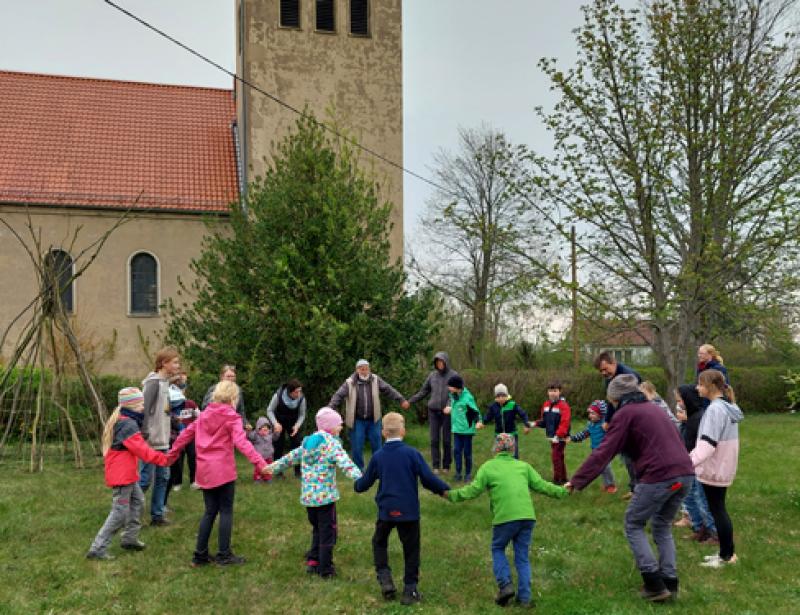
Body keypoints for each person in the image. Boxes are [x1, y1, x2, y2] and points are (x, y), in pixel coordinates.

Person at [565, 374, 694, 602]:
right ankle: (670, 584)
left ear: (615, 398)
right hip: (685, 473)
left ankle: (654, 584)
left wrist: (576, 481)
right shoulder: (655, 408)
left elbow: (604, 451)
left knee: (633, 523)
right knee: (662, 525)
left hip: (659, 476)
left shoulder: (626, 414)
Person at [447, 433, 567, 609]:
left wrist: (451, 495)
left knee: (497, 548)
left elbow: (473, 490)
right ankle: (525, 599)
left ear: (495, 449)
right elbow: (542, 485)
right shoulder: (523, 466)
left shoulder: (488, 467)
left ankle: (505, 585)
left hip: (504, 518)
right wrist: (564, 491)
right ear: (513, 449)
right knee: (522, 557)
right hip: (527, 517)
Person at [166, 380, 271, 567]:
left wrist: (171, 455)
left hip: (205, 471)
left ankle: (200, 556)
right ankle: (224, 555)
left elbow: (185, 435)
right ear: (233, 398)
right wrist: (261, 464)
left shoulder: (204, 415)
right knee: (226, 511)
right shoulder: (232, 417)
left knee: (209, 511)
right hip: (223, 471)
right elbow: (242, 443)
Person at [354, 412, 450, 605]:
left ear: (383, 433)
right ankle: (410, 590)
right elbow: (428, 478)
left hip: (386, 511)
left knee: (379, 543)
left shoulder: (378, 456)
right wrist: (444, 490)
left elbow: (364, 484)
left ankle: (385, 579)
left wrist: (357, 484)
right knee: (411, 550)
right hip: (409, 512)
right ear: (403, 431)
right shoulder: (412, 454)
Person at [268, 407, 362, 578]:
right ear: (331, 427)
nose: (340, 428)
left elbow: (290, 458)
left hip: (309, 498)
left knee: (317, 529)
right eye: (339, 425)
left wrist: (271, 468)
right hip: (325, 499)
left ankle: (313, 561)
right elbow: (345, 462)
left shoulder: (307, 443)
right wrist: (360, 478)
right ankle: (325, 569)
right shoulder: (332, 444)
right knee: (328, 533)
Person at [86, 387, 171, 560]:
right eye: (140, 403)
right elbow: (142, 450)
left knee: (138, 502)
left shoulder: (126, 420)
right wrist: (164, 459)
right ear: (131, 405)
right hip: (122, 476)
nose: (143, 407)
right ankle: (97, 548)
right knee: (119, 512)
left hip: (128, 475)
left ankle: (129, 539)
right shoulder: (128, 424)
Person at [691, 369, 743, 568]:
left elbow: (707, 445)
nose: (697, 388)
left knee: (718, 510)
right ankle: (726, 553)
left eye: (700, 384)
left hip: (714, 468)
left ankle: (727, 556)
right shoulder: (726, 406)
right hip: (723, 466)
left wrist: (687, 463)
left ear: (710, 386)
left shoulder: (715, 409)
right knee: (718, 509)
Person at [328, 359, 410, 471]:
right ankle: (359, 470)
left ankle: (378, 468)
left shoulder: (376, 379)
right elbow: (338, 395)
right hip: (357, 421)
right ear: (357, 370)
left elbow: (388, 389)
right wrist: (329, 409)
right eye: (361, 369)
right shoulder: (349, 382)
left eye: (366, 368)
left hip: (374, 419)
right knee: (357, 447)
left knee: (377, 446)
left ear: (369, 369)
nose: (364, 371)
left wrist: (401, 399)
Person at [140, 346, 181, 526]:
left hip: (163, 440)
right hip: (151, 441)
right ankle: (129, 513)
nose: (178, 365)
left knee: (163, 477)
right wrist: (144, 433)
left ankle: (157, 515)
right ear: (164, 363)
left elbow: (162, 410)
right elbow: (144, 409)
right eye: (175, 362)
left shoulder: (165, 383)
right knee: (145, 479)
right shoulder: (153, 383)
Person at [594, 350, 642, 497]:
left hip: (635, 421)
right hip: (622, 420)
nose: (603, 372)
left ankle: (639, 489)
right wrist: (608, 420)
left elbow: (637, 402)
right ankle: (635, 488)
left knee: (634, 457)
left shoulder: (628, 376)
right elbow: (611, 401)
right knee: (627, 457)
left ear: (613, 363)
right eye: (600, 370)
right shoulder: (609, 377)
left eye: (605, 368)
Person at [674, 385, 718, 543]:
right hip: (687, 463)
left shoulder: (700, 418)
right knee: (690, 496)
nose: (678, 403)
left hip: (698, 464)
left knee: (701, 498)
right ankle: (700, 527)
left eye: (680, 399)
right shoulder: (690, 417)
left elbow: (703, 444)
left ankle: (714, 532)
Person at [408, 351, 458, 474]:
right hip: (433, 411)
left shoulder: (454, 375)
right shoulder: (432, 376)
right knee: (434, 440)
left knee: (446, 440)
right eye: (437, 362)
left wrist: (449, 406)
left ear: (446, 362)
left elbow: (458, 393)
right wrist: (410, 401)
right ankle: (436, 466)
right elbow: (423, 391)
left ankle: (446, 465)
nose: (439, 364)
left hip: (447, 413)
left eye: (441, 362)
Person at [568, 400, 616, 493]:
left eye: (593, 413)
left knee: (606, 467)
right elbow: (584, 434)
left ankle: (611, 485)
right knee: (600, 468)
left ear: (601, 415)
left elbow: (613, 434)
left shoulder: (604, 425)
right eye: (590, 413)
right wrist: (573, 438)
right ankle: (607, 484)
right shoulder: (590, 424)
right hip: (595, 450)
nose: (590, 415)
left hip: (605, 450)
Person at [477, 384, 531, 459]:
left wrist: (527, 425)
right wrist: (482, 423)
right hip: (499, 435)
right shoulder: (493, 406)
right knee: (499, 456)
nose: (501, 398)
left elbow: (523, 414)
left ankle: (515, 469)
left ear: (507, 395)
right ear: (496, 397)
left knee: (514, 456)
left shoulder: (512, 405)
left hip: (511, 434)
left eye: (503, 396)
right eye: (498, 396)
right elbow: (487, 417)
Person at [266, 378, 306, 478]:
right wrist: (275, 423)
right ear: (290, 392)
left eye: (300, 391)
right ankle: (277, 471)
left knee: (298, 444)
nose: (299, 394)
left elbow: (302, 415)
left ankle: (298, 471)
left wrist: (297, 426)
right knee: (278, 445)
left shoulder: (301, 399)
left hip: (293, 423)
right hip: (279, 422)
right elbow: (269, 410)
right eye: (297, 392)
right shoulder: (278, 396)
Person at [533, 382, 571, 485]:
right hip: (551, 437)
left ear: (560, 392)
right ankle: (563, 478)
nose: (552, 393)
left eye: (555, 391)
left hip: (560, 437)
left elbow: (565, 423)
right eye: (550, 391)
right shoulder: (546, 405)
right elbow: (544, 421)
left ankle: (557, 480)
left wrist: (558, 435)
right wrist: (534, 424)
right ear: (547, 392)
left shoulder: (564, 406)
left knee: (555, 457)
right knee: (559, 456)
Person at [443, 375, 479, 482]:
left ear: (456, 387)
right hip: (457, 430)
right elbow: (453, 406)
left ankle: (468, 474)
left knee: (467, 453)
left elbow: (475, 412)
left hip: (467, 431)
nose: (448, 388)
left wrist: (478, 422)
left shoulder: (468, 398)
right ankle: (458, 473)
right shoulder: (453, 396)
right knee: (457, 451)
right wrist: (449, 409)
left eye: (450, 386)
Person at [246, 417, 279, 483]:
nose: (265, 428)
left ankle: (267, 478)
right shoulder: (256, 435)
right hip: (259, 456)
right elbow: (249, 436)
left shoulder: (270, 435)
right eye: (263, 427)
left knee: (268, 468)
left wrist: (277, 432)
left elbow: (275, 438)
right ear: (258, 428)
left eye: (266, 427)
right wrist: (248, 431)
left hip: (269, 456)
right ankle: (258, 478)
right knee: (258, 468)